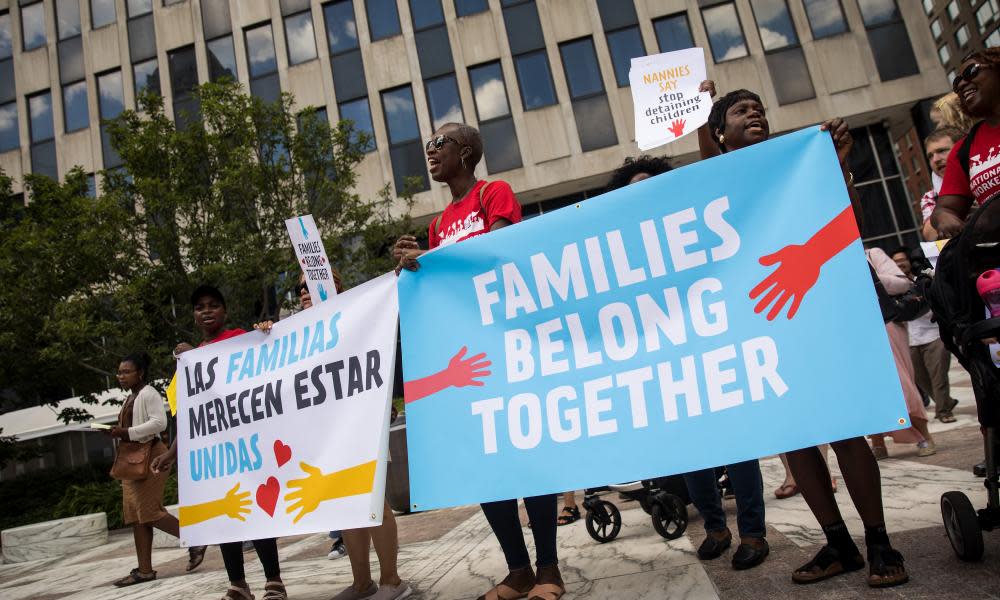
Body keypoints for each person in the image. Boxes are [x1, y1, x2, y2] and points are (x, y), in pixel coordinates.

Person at [699, 85, 909, 588]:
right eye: (741, 111)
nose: (756, 113)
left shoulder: (798, 161)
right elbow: (708, 168)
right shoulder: (716, 180)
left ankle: (879, 542)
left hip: (814, 313)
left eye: (760, 108)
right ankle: (838, 544)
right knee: (794, 442)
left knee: (843, 431)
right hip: (760, 322)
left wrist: (837, 168)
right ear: (719, 133)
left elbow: (846, 218)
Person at [394, 123, 565, 600]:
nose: (429, 152)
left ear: (464, 152)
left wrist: (431, 257)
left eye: (438, 144)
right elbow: (441, 285)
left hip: (507, 343)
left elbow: (499, 250)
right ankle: (518, 571)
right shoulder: (438, 222)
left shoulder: (495, 192)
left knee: (525, 454)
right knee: (485, 461)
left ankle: (549, 569)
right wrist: (413, 267)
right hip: (466, 356)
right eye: (427, 144)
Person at [150, 285, 286, 600]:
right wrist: (172, 453)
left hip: (250, 448)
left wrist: (267, 332)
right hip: (218, 457)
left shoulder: (241, 339)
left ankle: (274, 581)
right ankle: (238, 585)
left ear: (224, 311)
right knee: (226, 518)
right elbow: (190, 414)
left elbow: (273, 358)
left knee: (257, 514)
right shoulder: (191, 359)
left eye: (213, 305)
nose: (207, 311)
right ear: (194, 316)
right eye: (200, 307)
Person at [108, 352, 204, 586]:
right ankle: (144, 570)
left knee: (149, 511)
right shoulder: (131, 397)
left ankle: (195, 539)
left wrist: (125, 432)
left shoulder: (148, 393)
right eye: (119, 372)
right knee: (136, 516)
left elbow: (159, 422)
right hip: (133, 458)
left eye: (126, 372)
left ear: (140, 373)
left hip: (151, 454)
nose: (121, 376)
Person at [866, 248, 938, 459]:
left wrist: (865, 276)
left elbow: (903, 284)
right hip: (854, 333)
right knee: (868, 390)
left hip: (886, 326)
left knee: (902, 384)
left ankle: (924, 435)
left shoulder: (872, 254)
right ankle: (878, 442)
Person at [932, 50, 1000, 239]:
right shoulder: (964, 150)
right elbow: (944, 208)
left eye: (971, 72)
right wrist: (944, 217)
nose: (961, 84)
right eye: (956, 82)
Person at [891, 247, 959, 423]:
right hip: (910, 341)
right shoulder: (891, 288)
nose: (900, 263)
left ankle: (944, 411)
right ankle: (946, 401)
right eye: (895, 261)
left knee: (938, 377)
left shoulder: (923, 281)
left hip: (934, 336)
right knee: (921, 380)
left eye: (902, 259)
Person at [919, 128, 966, 241]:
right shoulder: (930, 197)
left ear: (963, 149)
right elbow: (931, 235)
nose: (935, 159)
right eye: (930, 156)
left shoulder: (983, 177)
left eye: (942, 151)